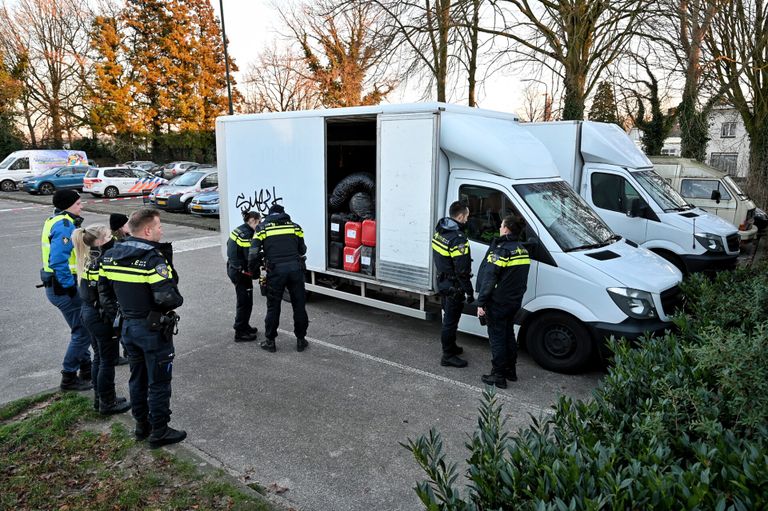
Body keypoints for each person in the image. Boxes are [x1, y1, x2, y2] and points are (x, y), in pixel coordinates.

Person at [99, 208, 186, 448]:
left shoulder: (110, 254)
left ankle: (141, 426)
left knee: (137, 378)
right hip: (153, 330)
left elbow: (104, 292)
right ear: (147, 230)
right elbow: (169, 298)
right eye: (159, 226)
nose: (162, 230)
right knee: (158, 382)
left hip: (127, 327)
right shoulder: (152, 259)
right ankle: (159, 431)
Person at [72, 224, 131, 415]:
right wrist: (116, 321)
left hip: (89, 313)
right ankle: (108, 402)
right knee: (107, 360)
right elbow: (106, 296)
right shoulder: (104, 260)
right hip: (100, 317)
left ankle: (101, 398)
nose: (112, 238)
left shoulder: (90, 257)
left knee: (99, 357)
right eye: (108, 236)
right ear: (98, 241)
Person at [40, 189, 92, 391]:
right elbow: (58, 260)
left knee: (80, 329)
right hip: (63, 286)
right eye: (78, 203)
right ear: (68, 205)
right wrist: (69, 288)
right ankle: (69, 377)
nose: (81, 206)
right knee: (83, 331)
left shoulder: (54, 220)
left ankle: (86, 369)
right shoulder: (64, 225)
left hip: (57, 285)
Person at [475, 215, 531, 389]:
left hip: (498, 303)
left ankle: (498, 375)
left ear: (506, 229)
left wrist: (480, 303)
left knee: (498, 338)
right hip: (514, 302)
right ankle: (510, 371)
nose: (499, 228)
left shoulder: (501, 251)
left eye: (501, 226)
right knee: (508, 335)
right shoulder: (523, 250)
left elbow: (490, 278)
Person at [249, 204, 308, 353]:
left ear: (270, 215)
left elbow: (253, 252)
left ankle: (270, 342)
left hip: (275, 272)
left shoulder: (262, 228)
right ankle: (301, 340)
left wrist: (253, 271)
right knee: (299, 305)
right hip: (296, 270)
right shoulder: (295, 227)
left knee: (273, 306)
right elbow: (303, 250)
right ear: (283, 213)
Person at [432, 201, 474, 368]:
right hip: (453, 286)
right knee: (450, 321)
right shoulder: (458, 239)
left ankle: (452, 346)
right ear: (461, 216)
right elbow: (462, 271)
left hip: (442, 281)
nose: (467, 219)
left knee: (449, 318)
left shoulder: (440, 230)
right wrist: (469, 292)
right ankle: (447, 355)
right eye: (467, 216)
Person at [227, 210, 261, 342]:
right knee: (244, 302)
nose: (260, 224)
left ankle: (245, 326)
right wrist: (256, 273)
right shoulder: (247, 234)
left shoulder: (240, 230)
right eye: (259, 221)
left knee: (247, 301)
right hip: (241, 273)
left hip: (235, 269)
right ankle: (240, 332)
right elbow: (250, 259)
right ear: (252, 221)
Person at [109, 213, 131, 365]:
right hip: (118, 290)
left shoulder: (112, 239)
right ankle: (128, 351)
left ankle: (122, 352)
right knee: (122, 322)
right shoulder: (119, 242)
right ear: (122, 226)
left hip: (113, 290)